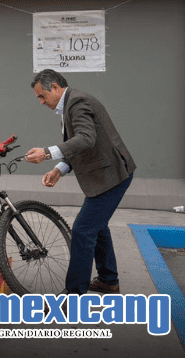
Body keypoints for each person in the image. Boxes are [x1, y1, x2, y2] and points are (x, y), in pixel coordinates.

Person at [24, 69, 136, 295]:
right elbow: (81, 144)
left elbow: (85, 139)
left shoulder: (77, 102)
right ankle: (108, 280)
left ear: (55, 87)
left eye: (42, 96)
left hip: (111, 177)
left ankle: (74, 294)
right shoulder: (72, 103)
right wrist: (60, 167)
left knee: (84, 231)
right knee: (97, 226)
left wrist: (47, 153)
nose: (41, 102)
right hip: (107, 176)